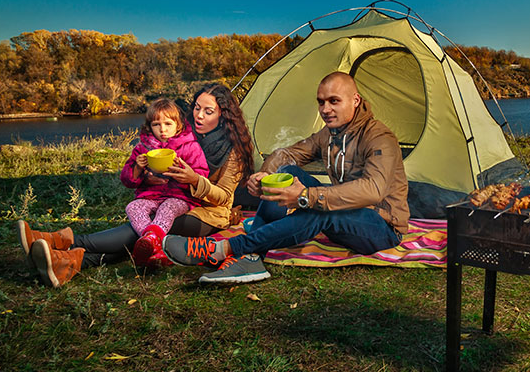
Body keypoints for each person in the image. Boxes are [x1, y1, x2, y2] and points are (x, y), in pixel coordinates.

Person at [163, 71, 409, 283]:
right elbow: (291, 154)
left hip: (381, 227)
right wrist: (266, 175)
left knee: (317, 209)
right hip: (345, 215)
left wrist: (305, 196)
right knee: (288, 174)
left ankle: (224, 248)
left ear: (355, 100)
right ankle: (252, 258)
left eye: (334, 101)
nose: (325, 109)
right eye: (321, 102)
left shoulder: (379, 138)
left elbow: (372, 190)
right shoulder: (330, 133)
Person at [17, 83, 254, 288]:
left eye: (208, 111)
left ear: (223, 115)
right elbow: (144, 170)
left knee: (143, 230)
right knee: (147, 234)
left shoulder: (232, 151)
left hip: (209, 215)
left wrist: (194, 180)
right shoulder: (181, 133)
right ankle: (67, 263)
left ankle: (65, 241)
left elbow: (224, 197)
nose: (199, 115)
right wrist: (150, 177)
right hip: (174, 201)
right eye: (196, 108)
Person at [121, 98, 209, 267]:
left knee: (168, 207)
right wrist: (138, 168)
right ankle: (153, 245)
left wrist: (184, 174)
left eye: (168, 124)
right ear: (149, 126)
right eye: (156, 124)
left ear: (179, 124)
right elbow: (127, 180)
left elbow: (201, 174)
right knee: (133, 207)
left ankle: (151, 242)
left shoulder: (190, 146)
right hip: (151, 196)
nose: (162, 129)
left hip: (180, 197)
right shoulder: (142, 148)